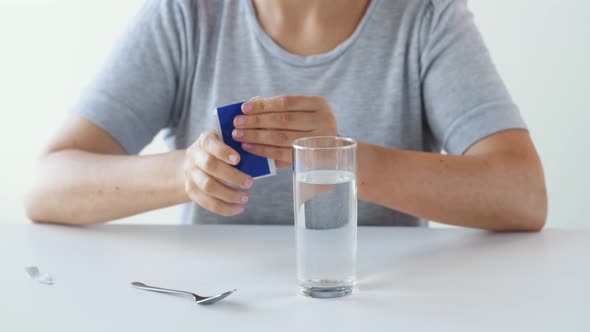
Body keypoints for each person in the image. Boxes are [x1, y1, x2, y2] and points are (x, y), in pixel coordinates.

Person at [24, 0, 547, 231]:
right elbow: (46, 186)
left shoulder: (426, 17)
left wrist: (341, 160)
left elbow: (522, 195)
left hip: (381, 307)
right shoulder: (186, 13)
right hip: (216, 307)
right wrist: (186, 172)